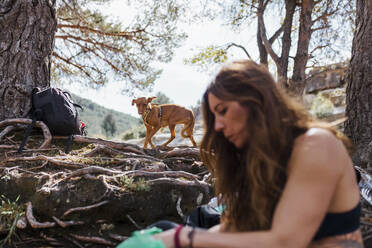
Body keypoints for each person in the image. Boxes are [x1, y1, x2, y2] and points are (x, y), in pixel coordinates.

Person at [153, 60, 364, 248]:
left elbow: (287, 241)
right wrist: (171, 237)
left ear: (256, 100)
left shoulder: (316, 145)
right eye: (214, 115)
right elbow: (231, 229)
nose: (217, 126)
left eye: (223, 110)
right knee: (162, 230)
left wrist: (184, 238)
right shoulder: (260, 161)